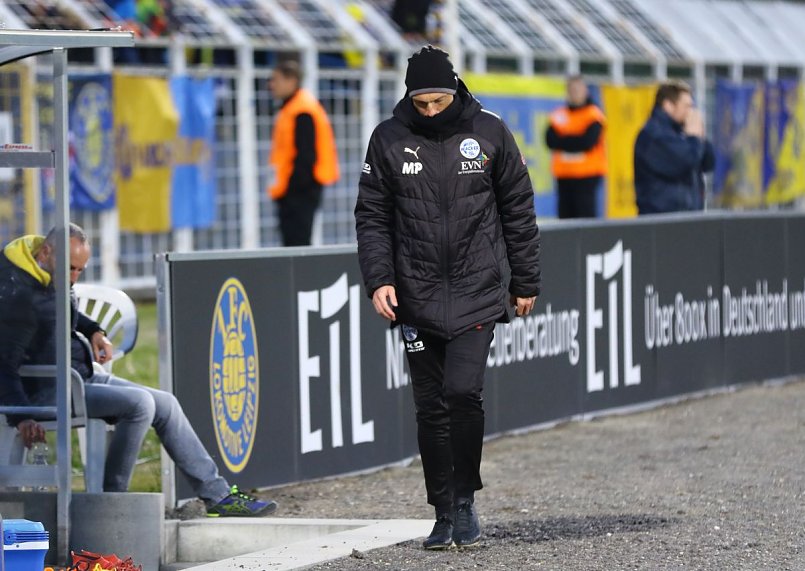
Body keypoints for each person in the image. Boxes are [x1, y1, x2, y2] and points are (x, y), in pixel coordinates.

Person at [355, 46, 541, 550]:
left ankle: (465, 499)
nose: (431, 111)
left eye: (438, 101)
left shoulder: (490, 132)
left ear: (454, 89)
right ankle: (442, 510)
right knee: (430, 407)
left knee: (462, 393)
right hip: (414, 295)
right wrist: (379, 280)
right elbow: (371, 218)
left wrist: (525, 282)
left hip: (477, 289)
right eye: (422, 103)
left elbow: (518, 211)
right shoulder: (388, 139)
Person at [0, 224, 276, 517]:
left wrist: (94, 330)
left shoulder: (46, 272)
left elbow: (58, 312)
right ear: (46, 252)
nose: (74, 277)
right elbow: (4, 363)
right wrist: (23, 417)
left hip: (80, 377)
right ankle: (111, 502)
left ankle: (218, 496)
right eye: (70, 269)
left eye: (80, 270)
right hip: (46, 392)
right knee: (140, 405)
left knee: (166, 404)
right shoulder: (17, 295)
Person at [267, 59, 340, 246]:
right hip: (292, 190)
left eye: (276, 80)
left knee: (297, 244)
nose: (271, 85)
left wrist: (292, 190)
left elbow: (306, 155)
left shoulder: (302, 110)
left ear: (291, 81)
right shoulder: (294, 107)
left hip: (299, 191)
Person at [634, 79, 715, 214]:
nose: (690, 112)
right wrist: (694, 138)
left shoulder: (683, 133)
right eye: (686, 106)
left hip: (687, 216)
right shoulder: (653, 135)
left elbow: (708, 163)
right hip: (661, 219)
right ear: (668, 105)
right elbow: (685, 161)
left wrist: (701, 136)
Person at [545, 75, 607, 218]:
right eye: (571, 90)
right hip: (564, 176)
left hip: (587, 176)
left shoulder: (593, 115)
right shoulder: (558, 115)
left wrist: (563, 139)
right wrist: (574, 139)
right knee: (565, 220)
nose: (574, 93)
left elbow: (587, 142)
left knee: (585, 219)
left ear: (585, 90)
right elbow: (550, 140)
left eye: (577, 89)